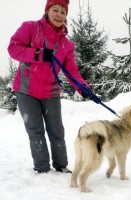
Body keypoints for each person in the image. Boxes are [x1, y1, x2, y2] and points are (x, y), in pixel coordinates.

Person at [7, 0, 93, 173]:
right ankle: (42, 168)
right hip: (26, 90)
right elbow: (13, 48)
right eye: (55, 10)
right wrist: (37, 53)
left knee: (57, 131)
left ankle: (61, 166)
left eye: (63, 12)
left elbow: (71, 71)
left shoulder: (66, 44)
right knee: (35, 130)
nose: (59, 15)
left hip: (51, 92)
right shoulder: (30, 28)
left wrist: (82, 87)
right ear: (47, 11)